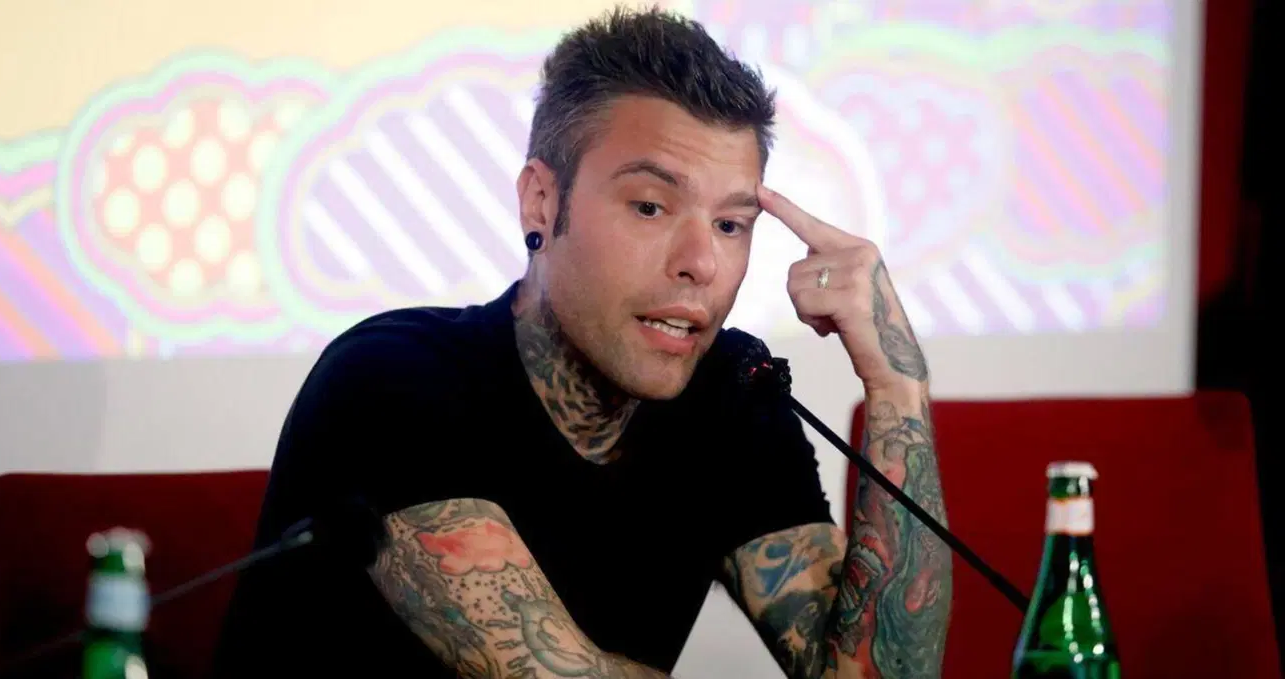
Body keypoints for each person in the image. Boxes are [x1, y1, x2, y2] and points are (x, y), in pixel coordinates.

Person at [212, 7, 950, 679]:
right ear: (541, 202)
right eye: (651, 206)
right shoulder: (393, 381)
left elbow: (876, 676)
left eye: (730, 224)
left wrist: (896, 382)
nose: (701, 262)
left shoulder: (732, 391)